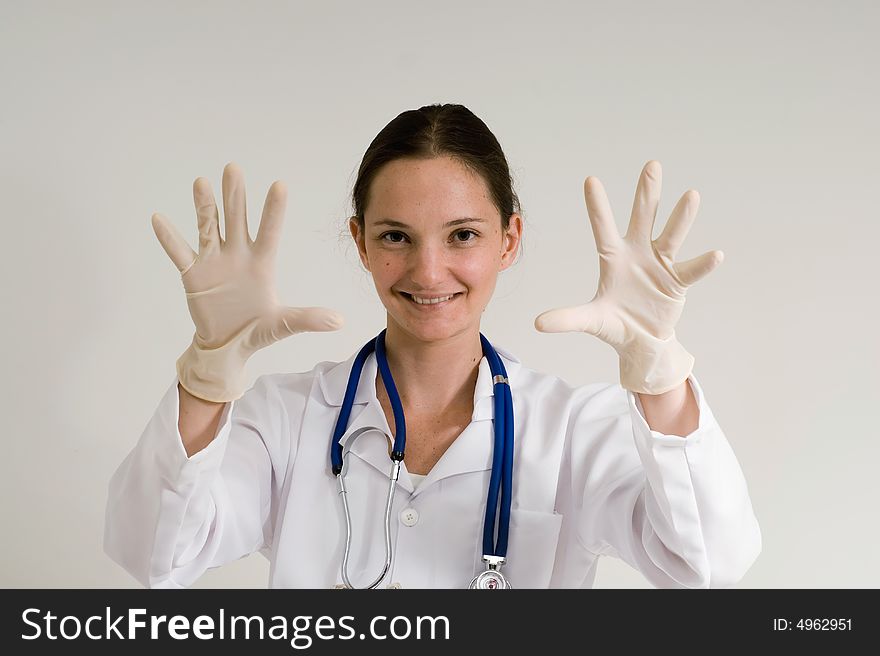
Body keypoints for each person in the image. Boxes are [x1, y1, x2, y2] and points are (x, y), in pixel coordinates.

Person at [104, 103, 761, 589]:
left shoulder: (571, 430)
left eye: (463, 235)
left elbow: (708, 564)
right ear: (359, 240)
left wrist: (659, 372)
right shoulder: (287, 417)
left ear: (509, 239)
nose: (427, 270)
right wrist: (207, 372)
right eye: (396, 236)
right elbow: (154, 554)